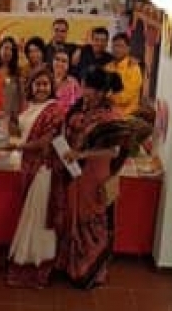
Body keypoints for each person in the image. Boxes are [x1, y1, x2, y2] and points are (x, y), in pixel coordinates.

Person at [51, 67, 125, 289]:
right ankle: (71, 264)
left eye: (88, 87)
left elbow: (114, 151)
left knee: (89, 217)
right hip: (73, 169)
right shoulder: (81, 106)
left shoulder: (110, 116)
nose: (84, 91)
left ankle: (89, 270)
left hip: (94, 173)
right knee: (72, 213)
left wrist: (81, 154)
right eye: (84, 86)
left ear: (101, 91)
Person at [5, 66, 64, 288]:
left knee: (38, 216)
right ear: (31, 86)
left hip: (43, 170)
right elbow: (20, 131)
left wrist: (18, 146)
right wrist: (8, 126)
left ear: (51, 86)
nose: (41, 88)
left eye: (45, 84)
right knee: (29, 214)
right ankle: (24, 256)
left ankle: (37, 262)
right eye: (38, 84)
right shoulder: (29, 106)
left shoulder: (55, 110)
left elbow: (46, 143)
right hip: (28, 165)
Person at [105, 32, 143, 116]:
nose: (117, 49)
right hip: (108, 113)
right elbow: (102, 90)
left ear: (128, 48)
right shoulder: (108, 67)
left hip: (127, 115)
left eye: (121, 46)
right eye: (114, 46)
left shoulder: (133, 68)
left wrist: (108, 96)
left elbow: (125, 97)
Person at [0, 36, 23, 130]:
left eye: (11, 50)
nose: (8, 52)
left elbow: (20, 97)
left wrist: (17, 118)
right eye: (5, 48)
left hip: (9, 119)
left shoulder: (16, 72)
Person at [51, 45, 82, 113]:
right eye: (57, 59)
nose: (60, 63)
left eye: (64, 61)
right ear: (52, 61)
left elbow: (79, 105)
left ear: (68, 65)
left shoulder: (74, 83)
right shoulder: (45, 79)